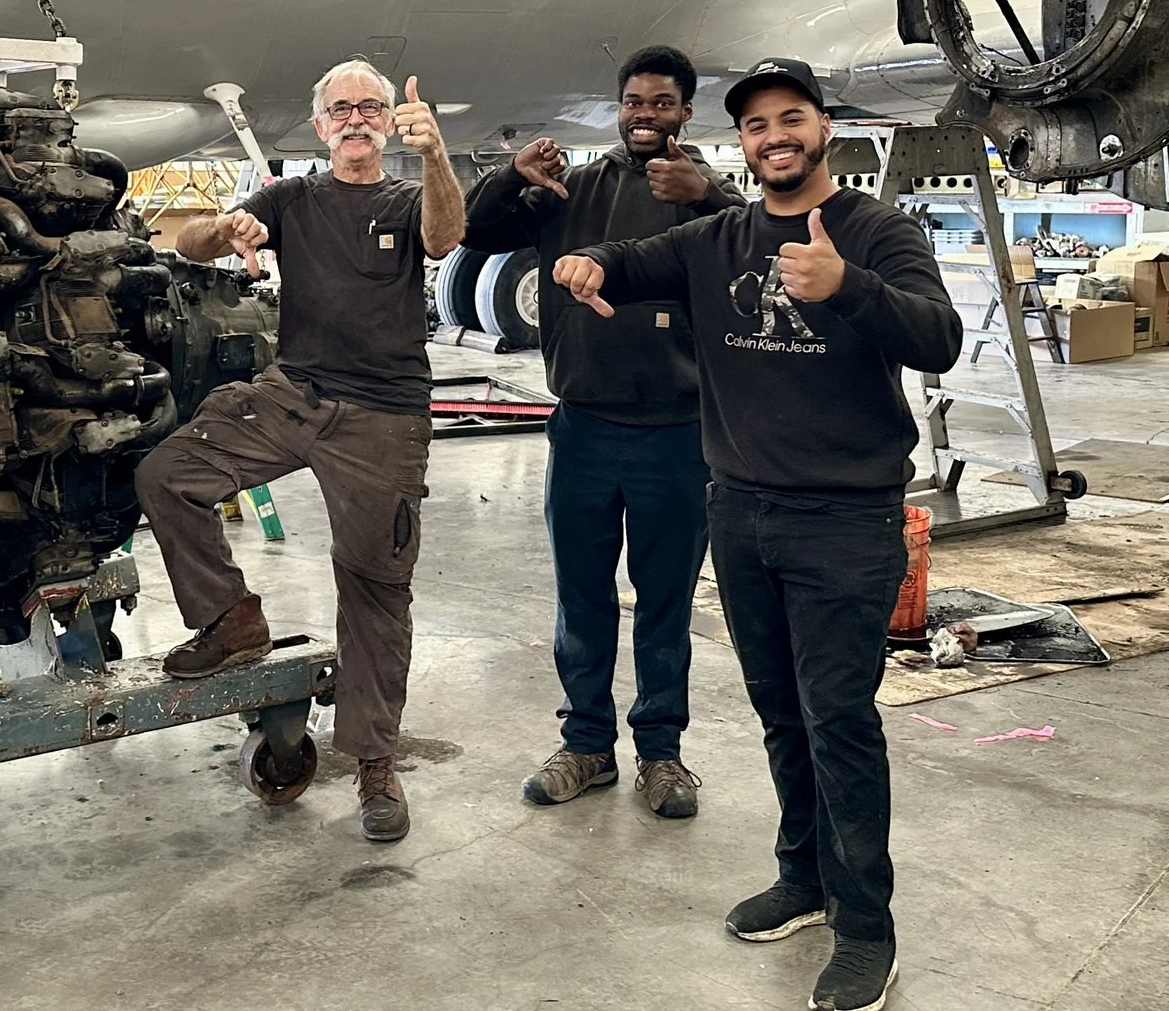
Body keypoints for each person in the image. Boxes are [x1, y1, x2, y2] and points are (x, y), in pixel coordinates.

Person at [552, 58, 962, 1011]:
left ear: (823, 129)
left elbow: (938, 337)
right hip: (740, 511)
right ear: (740, 141)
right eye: (756, 124)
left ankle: (866, 928)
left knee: (839, 720)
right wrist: (588, 263)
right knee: (780, 712)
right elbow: (630, 259)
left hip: (845, 519)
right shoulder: (718, 237)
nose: (775, 136)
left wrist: (846, 286)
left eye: (791, 118)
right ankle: (804, 878)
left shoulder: (876, 232)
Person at [136, 60, 464, 843]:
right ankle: (230, 617)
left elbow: (444, 235)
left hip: (384, 415)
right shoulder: (291, 198)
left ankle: (375, 762)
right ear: (319, 126)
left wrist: (436, 155)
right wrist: (229, 227)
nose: (356, 119)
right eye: (341, 109)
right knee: (168, 473)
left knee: (375, 585)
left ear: (387, 122)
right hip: (294, 393)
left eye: (370, 107)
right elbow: (193, 244)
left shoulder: (407, 196)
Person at [460, 46, 740, 817]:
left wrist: (707, 194)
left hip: (677, 434)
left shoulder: (705, 195)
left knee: (664, 603)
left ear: (686, 112)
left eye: (661, 103)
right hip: (582, 429)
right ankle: (586, 744)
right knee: (581, 598)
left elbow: (752, 252)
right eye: (633, 102)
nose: (644, 115)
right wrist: (511, 175)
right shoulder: (574, 189)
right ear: (619, 109)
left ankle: (662, 754)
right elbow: (474, 234)